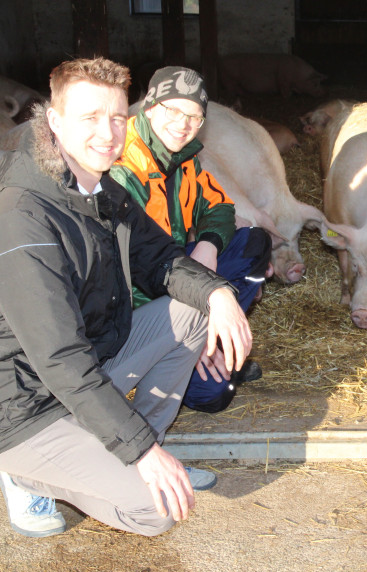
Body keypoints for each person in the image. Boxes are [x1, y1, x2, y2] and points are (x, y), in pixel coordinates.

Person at [0, 57, 252, 538]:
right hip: (20, 404)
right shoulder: (22, 220)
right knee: (156, 512)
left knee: (193, 310)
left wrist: (219, 295)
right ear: (54, 122)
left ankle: (135, 449)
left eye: (118, 117)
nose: (108, 133)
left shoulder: (101, 190)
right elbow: (59, 358)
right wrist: (139, 452)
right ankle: (29, 472)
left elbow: (162, 259)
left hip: (83, 370)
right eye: (89, 118)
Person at [110, 66, 271, 414]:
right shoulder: (122, 168)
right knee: (212, 395)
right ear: (149, 107)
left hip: (178, 271)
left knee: (254, 242)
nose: (184, 124)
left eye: (195, 117)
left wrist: (207, 246)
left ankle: (217, 339)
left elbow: (221, 208)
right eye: (174, 111)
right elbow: (134, 269)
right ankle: (191, 346)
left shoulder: (183, 160)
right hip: (135, 301)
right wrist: (191, 324)